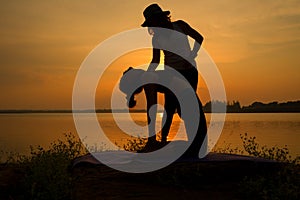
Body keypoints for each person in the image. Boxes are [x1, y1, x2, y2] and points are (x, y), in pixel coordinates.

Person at [140, 4, 207, 157]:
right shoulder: (157, 38)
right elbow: (155, 60)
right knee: (169, 107)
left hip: (189, 72)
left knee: (186, 108)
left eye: (153, 22)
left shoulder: (180, 26)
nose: (152, 26)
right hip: (171, 74)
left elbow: (199, 38)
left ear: (161, 18)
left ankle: (195, 142)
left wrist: (191, 55)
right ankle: (162, 140)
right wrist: (147, 74)